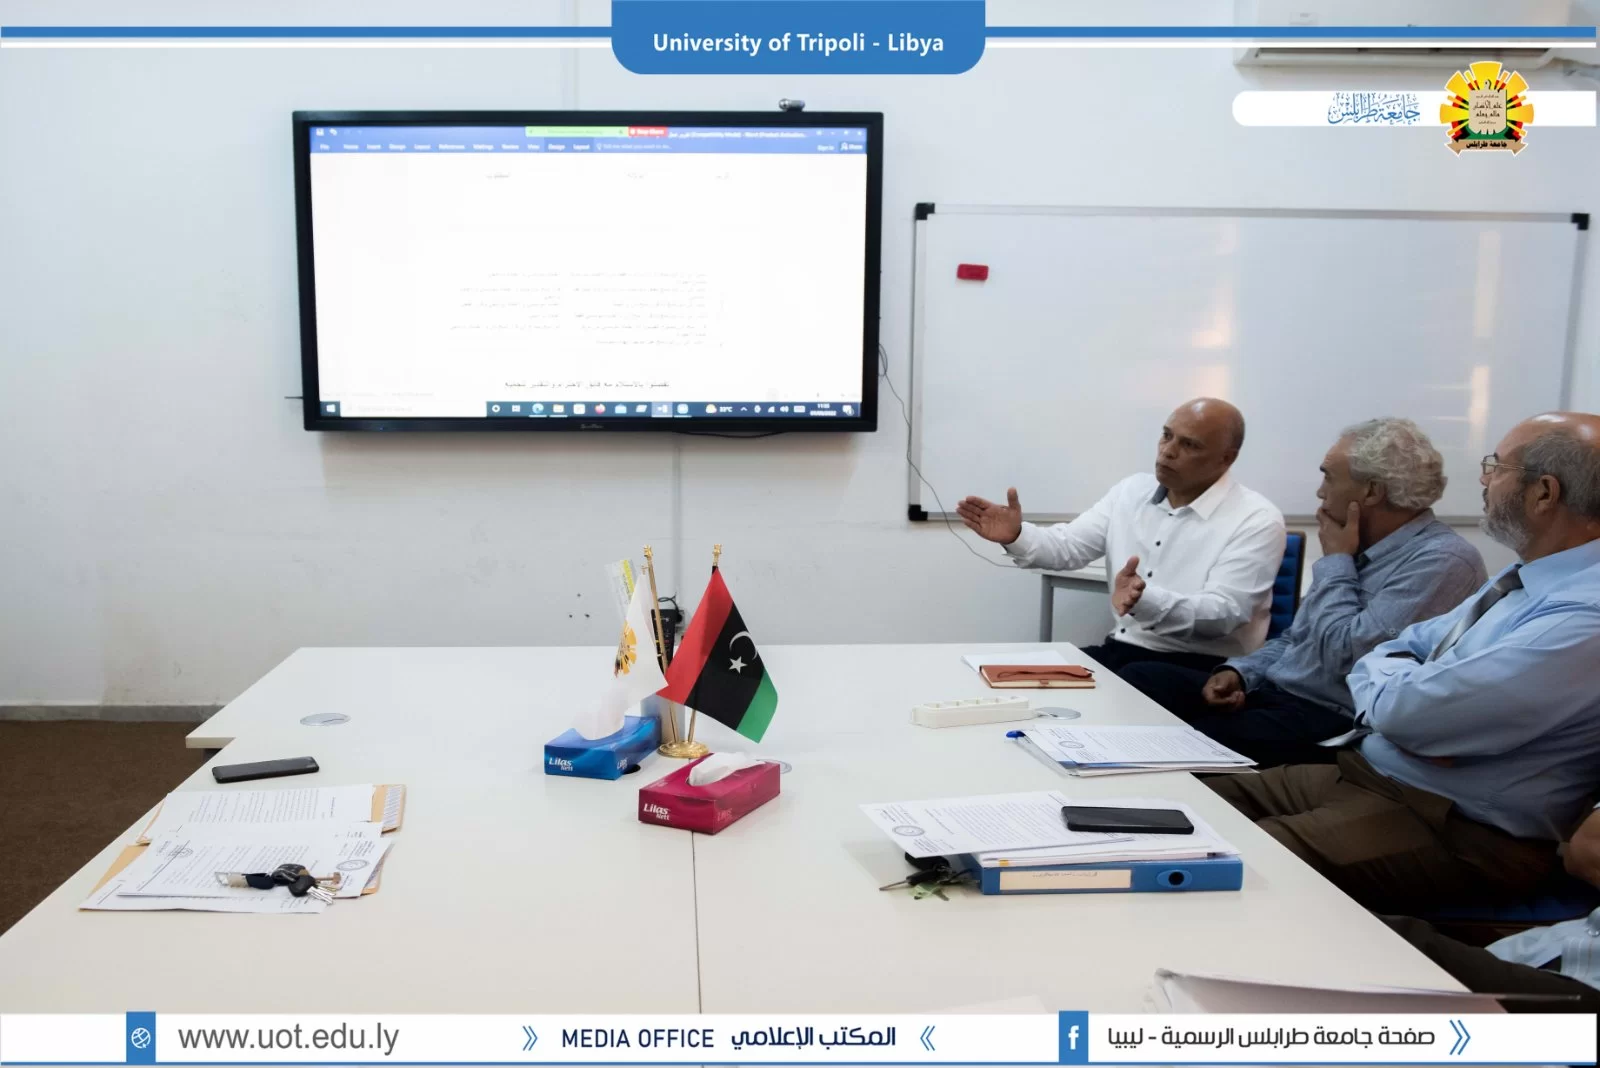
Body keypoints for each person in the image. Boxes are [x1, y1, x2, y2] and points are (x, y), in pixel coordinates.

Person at [1207, 412, 1600, 914]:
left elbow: (1409, 708)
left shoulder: (1583, 615)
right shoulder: (1524, 579)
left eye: (1496, 466)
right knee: (1188, 806)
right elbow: (1390, 652)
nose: (1483, 480)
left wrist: (1404, 707)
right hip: (1372, 773)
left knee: (1226, 861)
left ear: (1544, 493)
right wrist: (1406, 702)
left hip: (1455, 826)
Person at [1121, 418, 1486, 767]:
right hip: (1275, 693)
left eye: (1328, 476)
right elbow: (1297, 638)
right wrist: (1241, 672)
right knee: (1140, 680)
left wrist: (1337, 561)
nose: (1320, 491)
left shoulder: (1443, 561)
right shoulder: (1359, 544)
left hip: (1332, 717)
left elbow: (1349, 659)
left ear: (1371, 491)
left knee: (1190, 744)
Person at [957, 398, 1285, 676]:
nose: (1168, 452)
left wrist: (1146, 601)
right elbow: (1069, 547)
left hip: (1204, 667)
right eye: (1166, 436)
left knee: (1126, 684)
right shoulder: (1132, 491)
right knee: (1011, 674)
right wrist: (1015, 535)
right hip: (1123, 651)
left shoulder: (1256, 518)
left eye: (1189, 445)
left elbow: (1224, 614)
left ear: (1226, 458)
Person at [1381, 804, 1600, 1012]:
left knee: (1386, 944)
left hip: (1577, 1004)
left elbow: (1585, 848)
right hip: (1533, 957)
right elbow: (1587, 847)